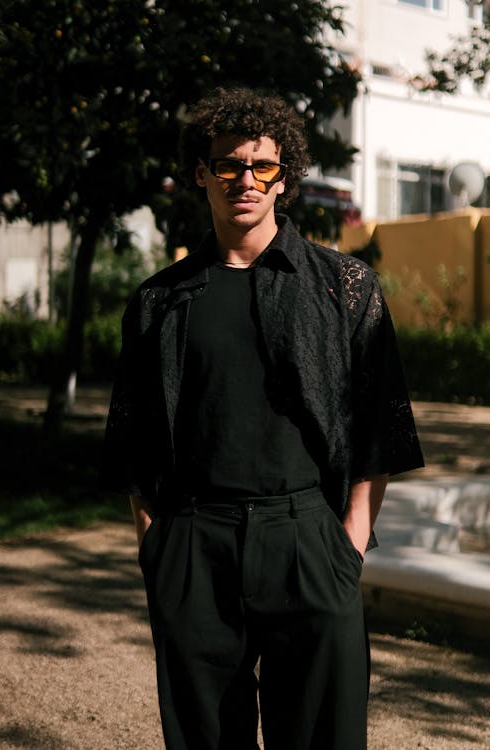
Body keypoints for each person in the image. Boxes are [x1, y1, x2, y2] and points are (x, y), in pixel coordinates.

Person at [102, 87, 424, 750]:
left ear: (284, 177)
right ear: (203, 175)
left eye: (262, 166)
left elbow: (378, 426)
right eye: (227, 165)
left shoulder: (344, 287)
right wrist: (157, 549)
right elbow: (133, 441)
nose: (244, 181)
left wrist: (349, 544)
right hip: (195, 541)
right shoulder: (157, 303)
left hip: (308, 539)